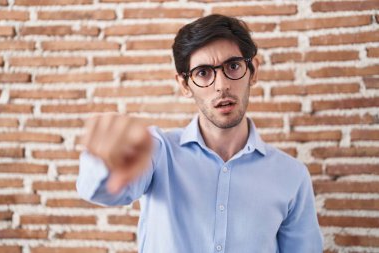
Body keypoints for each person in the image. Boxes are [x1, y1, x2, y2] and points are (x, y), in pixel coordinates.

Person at [77, 14, 323, 253]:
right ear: (185, 85)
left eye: (233, 66)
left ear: (253, 71)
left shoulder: (292, 175)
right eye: (203, 72)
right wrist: (107, 159)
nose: (221, 85)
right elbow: (99, 190)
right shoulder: (158, 151)